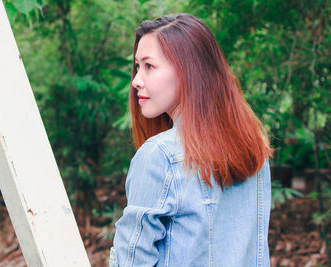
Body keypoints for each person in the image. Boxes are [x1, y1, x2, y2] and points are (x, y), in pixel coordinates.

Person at [109, 13, 273, 267]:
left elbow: (130, 261)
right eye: (137, 67)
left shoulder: (160, 156)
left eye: (149, 66)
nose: (136, 81)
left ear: (188, 71)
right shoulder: (253, 148)